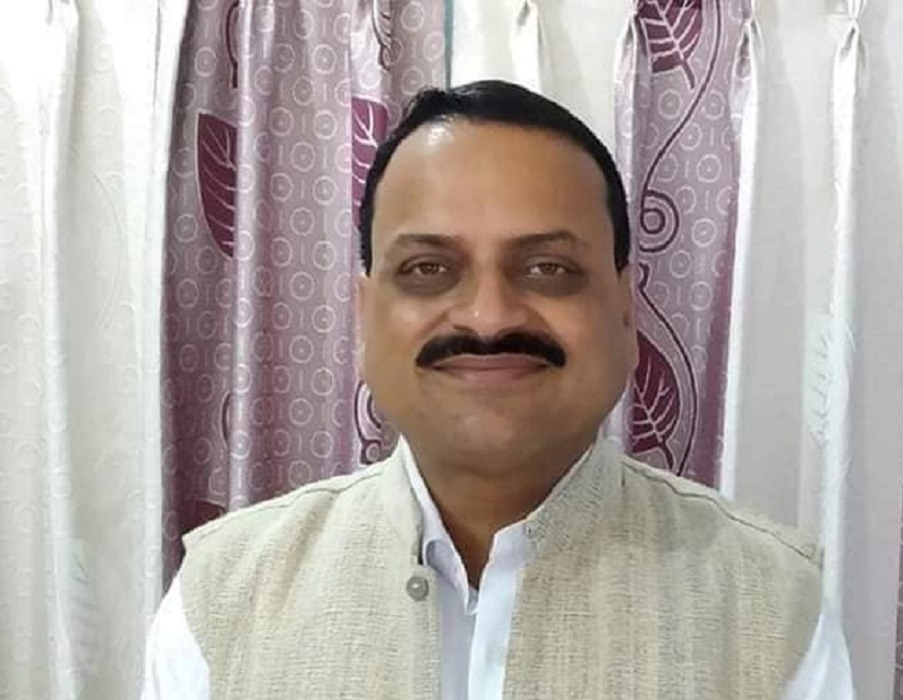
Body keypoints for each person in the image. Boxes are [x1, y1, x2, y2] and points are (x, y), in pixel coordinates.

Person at [142, 80, 853, 699]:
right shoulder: (222, 599)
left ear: (625, 312)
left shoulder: (773, 609)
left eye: (548, 269)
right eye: (428, 269)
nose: (488, 318)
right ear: (365, 316)